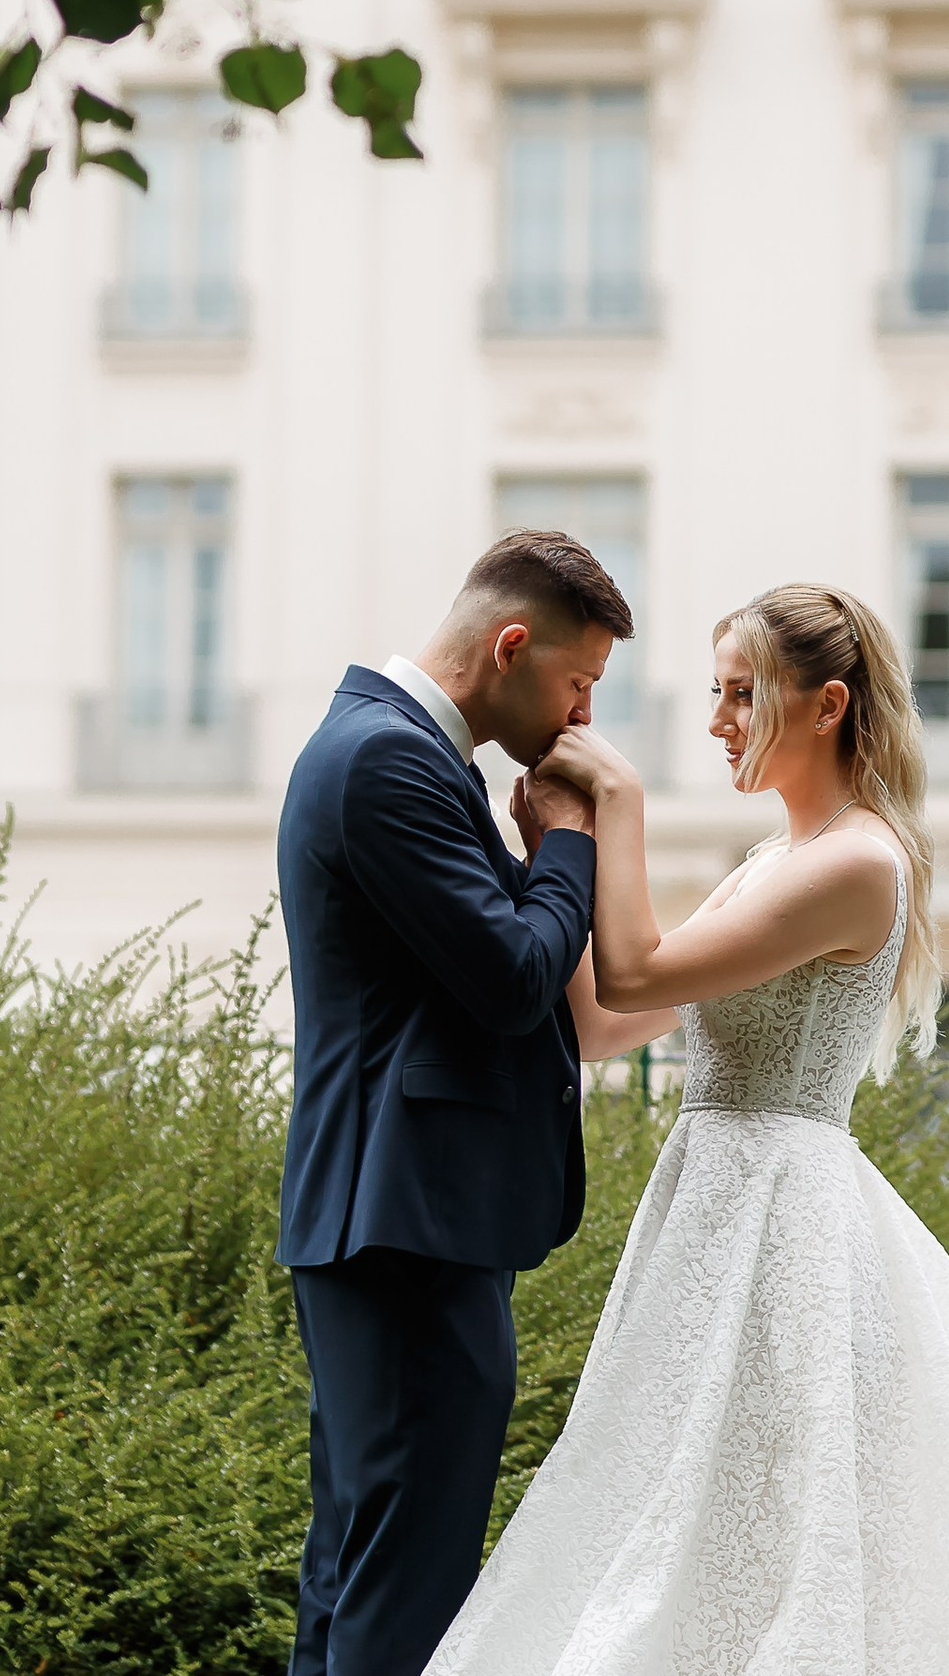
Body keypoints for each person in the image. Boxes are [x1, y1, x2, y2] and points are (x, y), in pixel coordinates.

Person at [428, 581, 949, 1676]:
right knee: (680, 1507)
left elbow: (638, 964)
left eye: (742, 694)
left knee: (784, 1524)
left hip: (786, 1221)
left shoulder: (858, 863)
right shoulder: (766, 863)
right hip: (705, 1209)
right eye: (714, 692)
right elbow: (603, 1021)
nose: (717, 719)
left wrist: (621, 806)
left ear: (825, 704)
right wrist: (559, 850)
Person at [277, 530, 670, 1676]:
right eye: (578, 683)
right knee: (404, 1588)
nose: (582, 718)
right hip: (403, 1225)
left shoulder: (402, 755)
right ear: (511, 645)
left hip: (397, 1220)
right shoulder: (385, 760)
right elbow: (511, 978)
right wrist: (564, 843)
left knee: (356, 1570)